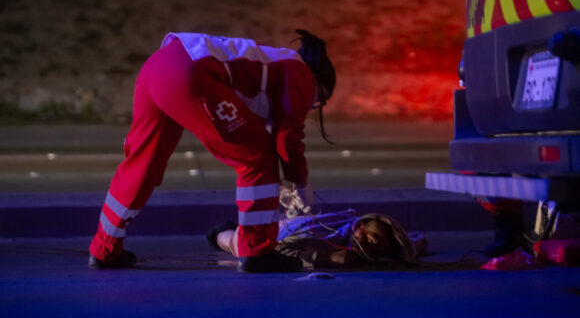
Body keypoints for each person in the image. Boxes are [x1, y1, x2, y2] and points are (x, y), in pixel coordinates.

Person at [88, 29, 336, 273]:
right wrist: (300, 185)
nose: (311, 104)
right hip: (190, 72)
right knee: (257, 157)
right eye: (319, 100)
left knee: (142, 163)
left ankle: (104, 248)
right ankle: (256, 251)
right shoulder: (302, 73)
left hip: (159, 64)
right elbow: (288, 137)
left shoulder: (276, 61)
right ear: (318, 81)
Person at [208, 209, 427, 270]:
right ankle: (220, 231)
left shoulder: (356, 239)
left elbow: (407, 250)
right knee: (230, 240)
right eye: (374, 238)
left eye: (379, 250)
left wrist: (415, 245)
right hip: (264, 234)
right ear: (359, 226)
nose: (373, 246)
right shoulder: (324, 235)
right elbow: (275, 253)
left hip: (284, 223)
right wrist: (325, 259)